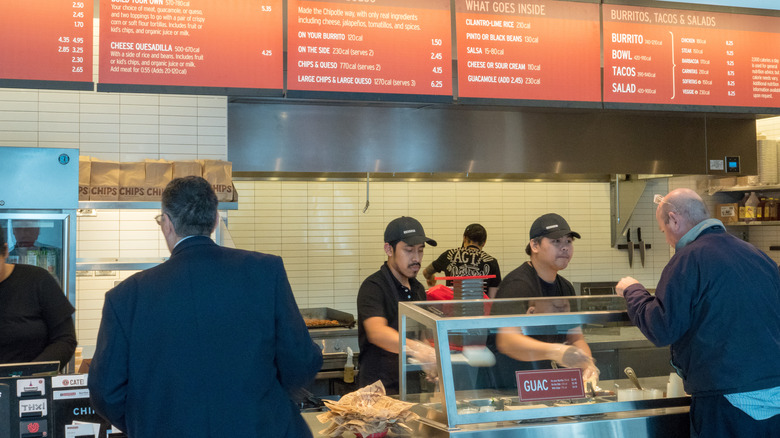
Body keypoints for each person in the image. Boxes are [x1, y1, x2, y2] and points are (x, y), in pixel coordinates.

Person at [88, 176, 322, 438]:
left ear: (166, 223)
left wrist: (149, 421)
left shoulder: (126, 296)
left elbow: (106, 392)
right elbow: (301, 361)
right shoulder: (265, 271)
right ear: (214, 219)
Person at [616, 188, 780, 438]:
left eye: (664, 231)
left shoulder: (688, 259)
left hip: (726, 398)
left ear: (674, 219)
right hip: (774, 393)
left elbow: (662, 328)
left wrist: (633, 292)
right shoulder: (757, 255)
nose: (668, 239)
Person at [489, 213, 598, 389]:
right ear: (535, 245)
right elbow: (506, 341)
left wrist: (587, 363)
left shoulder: (566, 288)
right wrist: (556, 351)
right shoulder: (518, 285)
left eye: (568, 242)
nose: (564, 248)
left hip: (547, 386)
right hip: (513, 388)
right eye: (556, 241)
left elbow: (575, 337)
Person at [357, 216, 438, 395]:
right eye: (409, 250)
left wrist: (430, 362)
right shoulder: (374, 286)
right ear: (389, 249)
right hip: (377, 393)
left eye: (420, 251)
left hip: (410, 391)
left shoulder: (417, 289)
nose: (416, 258)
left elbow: (420, 336)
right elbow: (378, 333)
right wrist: (419, 350)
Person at [0, 226, 76, 369]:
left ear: (5, 252)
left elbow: (65, 339)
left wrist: (30, 375)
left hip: (33, 384)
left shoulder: (37, 280)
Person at [423, 223, 502, 298]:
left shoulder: (449, 255)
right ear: (484, 243)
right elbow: (493, 298)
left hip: (452, 309)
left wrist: (431, 278)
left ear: (464, 238)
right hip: (480, 310)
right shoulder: (491, 262)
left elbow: (426, 272)